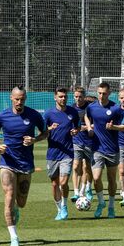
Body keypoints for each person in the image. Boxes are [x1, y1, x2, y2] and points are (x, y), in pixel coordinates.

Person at [0, 85, 47, 246]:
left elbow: (45, 132)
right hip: (7, 162)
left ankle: (17, 209)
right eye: (16, 99)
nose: (19, 102)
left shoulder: (34, 115)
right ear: (11, 98)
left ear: (25, 99)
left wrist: (34, 140)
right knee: (9, 196)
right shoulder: (2, 116)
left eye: (22, 99)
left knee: (20, 202)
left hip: (26, 163)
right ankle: (14, 237)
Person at [84, 82, 124, 218]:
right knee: (96, 178)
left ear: (109, 93)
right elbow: (86, 116)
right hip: (97, 148)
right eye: (99, 93)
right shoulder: (91, 107)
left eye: (104, 93)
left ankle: (110, 206)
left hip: (112, 149)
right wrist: (89, 127)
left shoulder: (116, 108)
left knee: (111, 179)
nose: (101, 96)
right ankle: (101, 202)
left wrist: (114, 127)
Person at [43, 87, 80, 220]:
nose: (63, 99)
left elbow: (78, 126)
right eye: (60, 96)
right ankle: (59, 209)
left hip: (68, 152)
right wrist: (49, 129)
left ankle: (64, 206)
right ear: (55, 97)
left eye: (65, 96)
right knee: (54, 184)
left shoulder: (72, 112)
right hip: (52, 154)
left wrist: (76, 131)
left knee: (63, 183)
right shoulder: (48, 114)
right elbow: (41, 132)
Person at [71, 89, 95, 202]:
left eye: (80, 96)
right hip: (76, 141)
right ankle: (76, 192)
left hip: (90, 141)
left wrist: (88, 127)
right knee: (76, 166)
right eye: (76, 96)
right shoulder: (71, 109)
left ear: (84, 97)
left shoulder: (90, 108)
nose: (78, 99)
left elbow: (97, 123)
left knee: (87, 167)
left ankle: (87, 188)